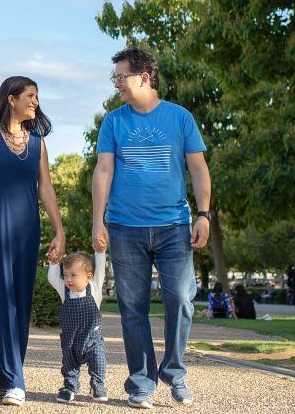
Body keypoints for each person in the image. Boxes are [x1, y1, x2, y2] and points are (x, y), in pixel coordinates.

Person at [90, 48, 212, 409]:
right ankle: (141, 383)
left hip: (174, 225)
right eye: (115, 79)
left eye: (121, 78)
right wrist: (98, 220)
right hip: (125, 227)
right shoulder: (113, 121)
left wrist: (203, 214)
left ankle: (175, 372)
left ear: (144, 77)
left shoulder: (180, 118)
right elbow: (103, 171)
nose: (117, 86)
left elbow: (199, 169)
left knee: (180, 298)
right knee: (132, 307)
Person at [0, 76, 65, 407]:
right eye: (30, 96)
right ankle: (15, 380)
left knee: (18, 300)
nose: (35, 101)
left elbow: (45, 188)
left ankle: (1, 373)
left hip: (25, 231)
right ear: (10, 99)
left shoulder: (38, 143)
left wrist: (59, 230)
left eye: (36, 96)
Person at [47, 252, 108, 404]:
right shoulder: (65, 291)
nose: (68, 279)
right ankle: (70, 387)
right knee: (69, 365)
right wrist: (54, 263)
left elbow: (100, 268)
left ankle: (98, 385)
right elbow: (52, 278)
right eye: (66, 274)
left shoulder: (94, 288)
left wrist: (100, 251)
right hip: (70, 340)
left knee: (98, 361)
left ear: (89, 277)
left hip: (92, 340)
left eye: (73, 275)